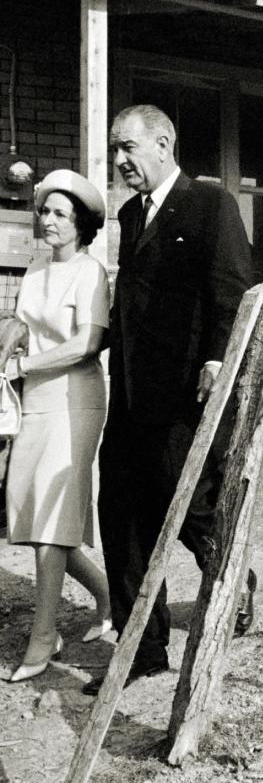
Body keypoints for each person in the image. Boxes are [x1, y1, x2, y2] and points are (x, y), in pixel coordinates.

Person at [85, 105, 254, 695]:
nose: (119, 161)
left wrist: (216, 360)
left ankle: (233, 578)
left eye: (127, 147)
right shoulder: (131, 216)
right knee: (122, 514)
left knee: (189, 502)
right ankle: (143, 648)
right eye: (114, 149)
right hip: (132, 394)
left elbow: (232, 291)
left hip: (188, 392)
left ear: (163, 142)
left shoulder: (211, 205)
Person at [3, 170, 112, 682]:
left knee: (53, 520)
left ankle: (44, 637)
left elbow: (86, 344)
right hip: (35, 402)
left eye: (60, 214)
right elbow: (23, 324)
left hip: (76, 400)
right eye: (44, 211)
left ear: (81, 224)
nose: (48, 220)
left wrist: (24, 366)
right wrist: (9, 342)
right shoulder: (35, 272)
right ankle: (109, 597)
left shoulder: (91, 272)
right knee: (34, 520)